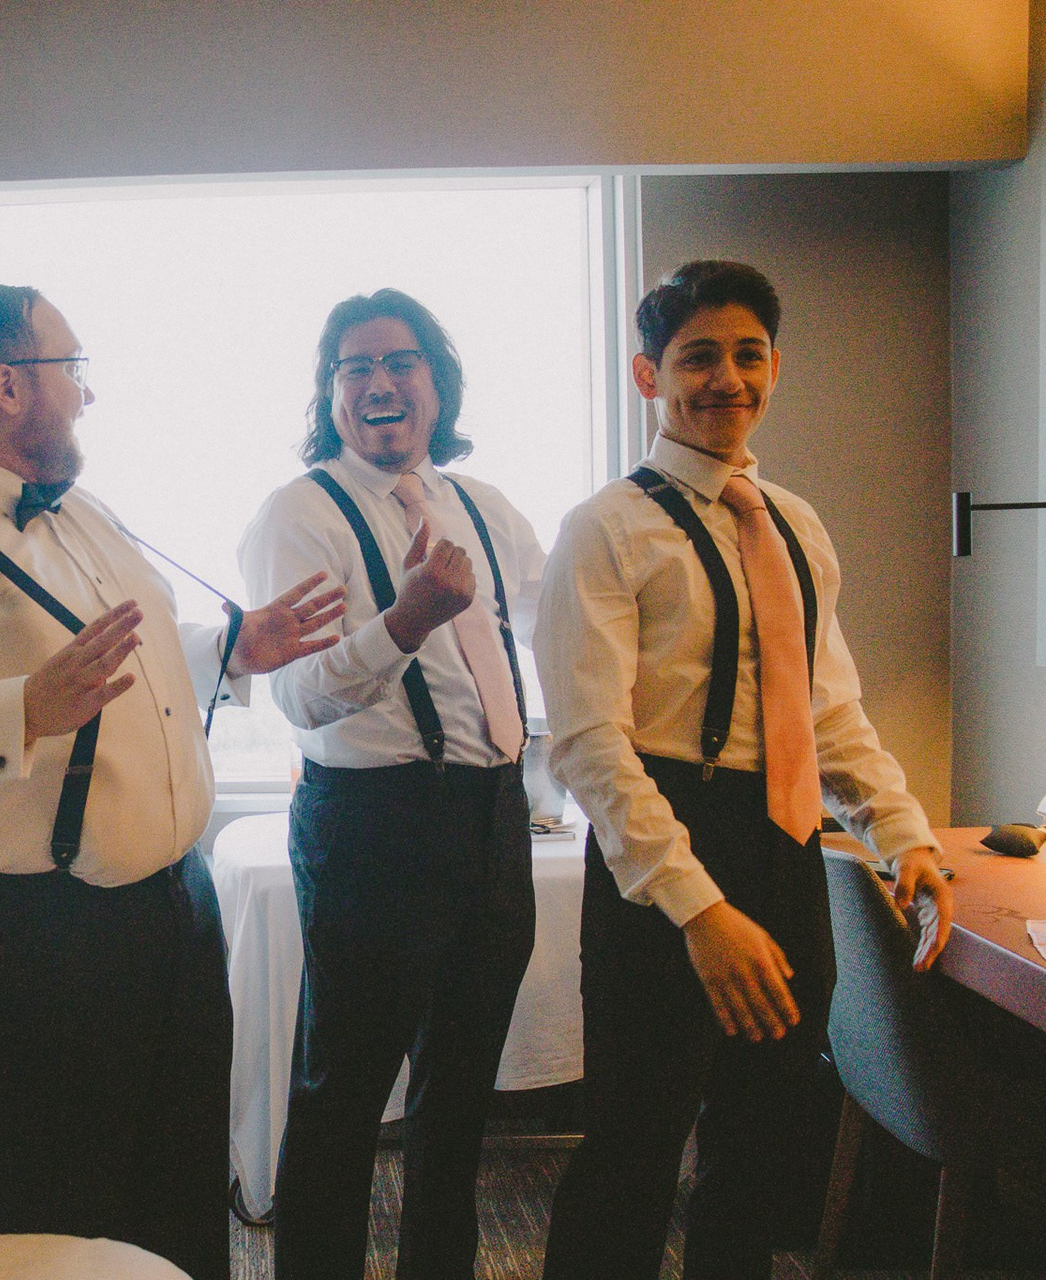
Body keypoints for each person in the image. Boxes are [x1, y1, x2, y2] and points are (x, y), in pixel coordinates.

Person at [0, 283, 349, 1280]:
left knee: (177, 1201)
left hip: (171, 913)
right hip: (19, 940)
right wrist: (16, 713)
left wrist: (231, 650)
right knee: (50, 1229)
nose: (88, 393)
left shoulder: (86, 511)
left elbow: (123, 659)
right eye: (73, 369)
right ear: (8, 385)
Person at [536, 259, 954, 1280]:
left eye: (748, 354)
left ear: (775, 367)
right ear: (649, 374)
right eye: (698, 358)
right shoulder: (605, 528)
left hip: (787, 843)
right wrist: (700, 910)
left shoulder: (796, 523)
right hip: (664, 852)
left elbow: (829, 711)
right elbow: (589, 745)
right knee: (633, 1148)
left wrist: (903, 836)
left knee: (762, 1147)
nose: (727, 377)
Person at [238, 288, 545, 1280]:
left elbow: (559, 626)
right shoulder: (300, 513)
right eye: (355, 366)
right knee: (343, 1096)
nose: (380, 381)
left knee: (459, 1099)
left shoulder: (483, 507)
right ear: (330, 393)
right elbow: (298, 698)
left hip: (495, 816)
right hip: (374, 827)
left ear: (436, 385)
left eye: (401, 361)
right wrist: (405, 620)